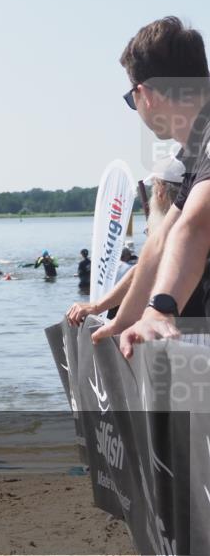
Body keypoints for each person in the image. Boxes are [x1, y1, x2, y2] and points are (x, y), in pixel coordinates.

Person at [91, 17, 210, 355]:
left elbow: (196, 227)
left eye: (132, 100)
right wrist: (122, 320)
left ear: (145, 94)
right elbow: (161, 240)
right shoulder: (195, 149)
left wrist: (160, 309)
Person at [67, 156, 189, 326]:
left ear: (160, 191)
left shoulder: (176, 228)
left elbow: (144, 272)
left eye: (153, 188)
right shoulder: (197, 218)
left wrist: (97, 307)